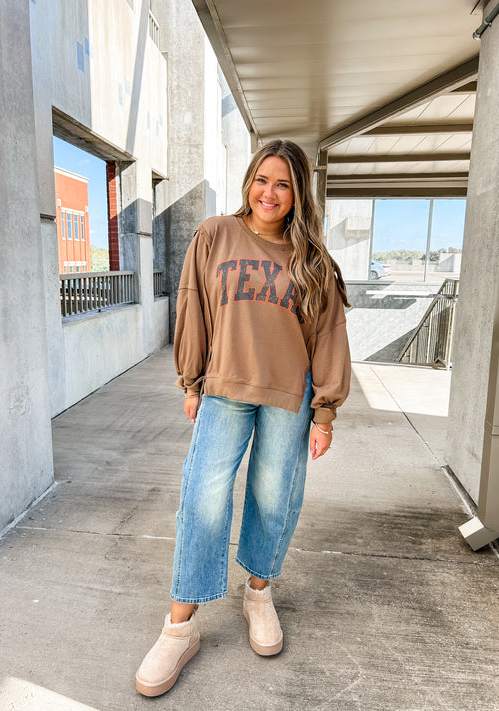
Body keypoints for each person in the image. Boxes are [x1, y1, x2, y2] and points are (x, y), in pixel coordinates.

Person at [135, 139, 351, 697]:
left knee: (274, 497)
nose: (269, 193)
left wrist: (324, 411)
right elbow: (193, 306)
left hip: (289, 393)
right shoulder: (215, 235)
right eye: (262, 179)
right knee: (203, 498)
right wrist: (190, 380)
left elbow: (327, 336)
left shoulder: (314, 261)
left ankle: (258, 593)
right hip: (225, 387)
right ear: (248, 180)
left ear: (298, 193)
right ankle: (179, 628)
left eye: (283, 184)